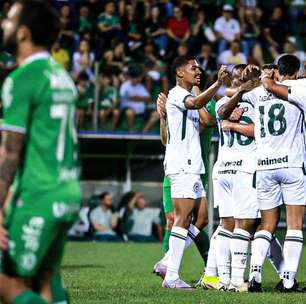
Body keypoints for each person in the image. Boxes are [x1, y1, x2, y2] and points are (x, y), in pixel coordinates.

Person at [0, 1, 81, 304]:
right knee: (44, 281)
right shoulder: (62, 77)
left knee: (8, 285)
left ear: (23, 33)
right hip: (67, 191)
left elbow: (9, 154)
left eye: (8, 19)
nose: (3, 25)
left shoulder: (22, 79)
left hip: (39, 194)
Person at [160, 55, 228, 289]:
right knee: (182, 218)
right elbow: (196, 104)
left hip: (192, 164)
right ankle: (171, 276)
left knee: (199, 217)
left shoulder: (187, 95)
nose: (198, 71)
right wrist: (218, 84)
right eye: (192, 68)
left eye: (199, 68)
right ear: (180, 73)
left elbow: (205, 118)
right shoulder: (178, 94)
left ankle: (167, 263)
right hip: (182, 165)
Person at [246, 55, 305, 292]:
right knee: (295, 224)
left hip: (265, 166)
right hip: (291, 165)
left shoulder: (259, 90)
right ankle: (288, 280)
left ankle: (255, 275)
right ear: (297, 71)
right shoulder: (301, 87)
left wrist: (261, 78)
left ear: (277, 70)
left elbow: (234, 94)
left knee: (267, 224)